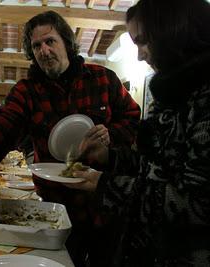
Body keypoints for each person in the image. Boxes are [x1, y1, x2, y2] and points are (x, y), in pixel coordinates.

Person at [0, 10, 141, 266]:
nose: (44, 50)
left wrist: (111, 135)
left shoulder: (103, 79)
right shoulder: (27, 91)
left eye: (50, 41)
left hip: (104, 202)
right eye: (36, 45)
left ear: (67, 44)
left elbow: (132, 116)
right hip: (53, 210)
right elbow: (2, 126)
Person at [63, 0, 210, 266]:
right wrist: (109, 157)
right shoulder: (172, 95)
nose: (141, 55)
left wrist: (106, 185)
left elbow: (199, 205)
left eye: (143, 42)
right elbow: (157, 169)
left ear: (174, 33)